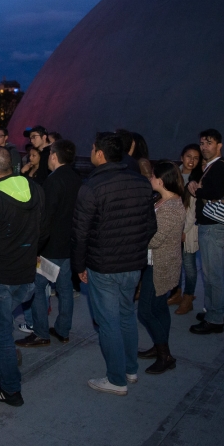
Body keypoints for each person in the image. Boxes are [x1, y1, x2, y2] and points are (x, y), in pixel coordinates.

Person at [72, 132, 156, 396]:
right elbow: (151, 226)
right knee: (127, 316)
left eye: (93, 148)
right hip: (133, 264)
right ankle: (131, 370)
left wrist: (79, 266)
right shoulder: (142, 183)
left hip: (104, 266)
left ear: (100, 154)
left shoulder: (91, 187)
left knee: (108, 323)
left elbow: (80, 233)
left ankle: (116, 379)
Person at [0, 148, 46, 407]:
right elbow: (44, 230)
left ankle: (12, 390)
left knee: (2, 334)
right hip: (26, 279)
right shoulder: (34, 189)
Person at [16, 140, 81, 348]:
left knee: (36, 288)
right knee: (65, 288)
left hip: (50, 247)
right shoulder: (77, 178)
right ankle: (63, 330)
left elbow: (46, 217)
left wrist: (36, 246)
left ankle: (41, 332)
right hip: (68, 244)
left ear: (53, 156)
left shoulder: (54, 181)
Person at [137, 161, 185, 374]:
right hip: (155, 262)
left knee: (146, 311)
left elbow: (155, 240)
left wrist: (133, 237)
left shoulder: (172, 207)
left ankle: (165, 356)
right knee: (159, 307)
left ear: (162, 180)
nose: (150, 178)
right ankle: (159, 347)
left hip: (160, 265)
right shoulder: (162, 200)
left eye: (153, 175)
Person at [187, 128, 224, 334]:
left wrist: (196, 188)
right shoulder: (213, 166)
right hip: (212, 226)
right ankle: (217, 312)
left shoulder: (218, 166)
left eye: (209, 143)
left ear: (219, 145)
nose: (204, 147)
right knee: (215, 273)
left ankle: (214, 319)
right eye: (202, 143)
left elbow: (215, 192)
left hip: (213, 227)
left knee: (212, 274)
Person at [173, 144, 202, 315]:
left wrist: (184, 230)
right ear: (182, 157)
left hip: (187, 230)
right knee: (175, 264)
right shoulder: (174, 173)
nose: (192, 161)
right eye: (189, 156)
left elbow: (193, 210)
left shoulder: (197, 179)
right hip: (172, 225)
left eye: (196, 158)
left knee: (189, 265)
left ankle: (188, 297)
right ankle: (176, 294)